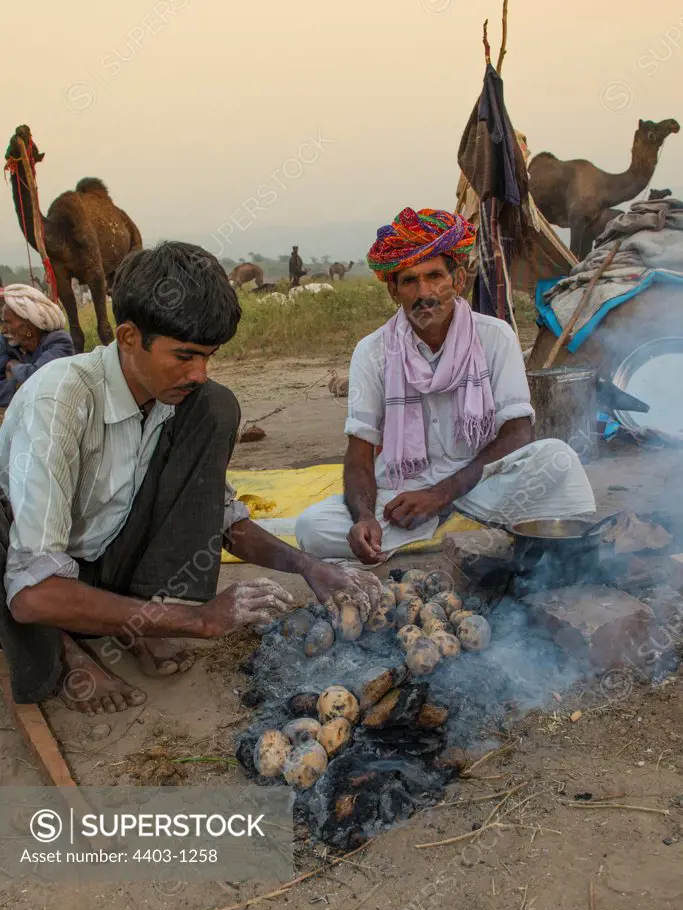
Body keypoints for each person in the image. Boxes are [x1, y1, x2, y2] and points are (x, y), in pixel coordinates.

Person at [0, 241, 379, 714]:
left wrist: (308, 566)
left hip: (100, 555)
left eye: (208, 355)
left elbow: (215, 515)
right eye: (184, 356)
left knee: (217, 404)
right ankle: (63, 651)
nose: (199, 373)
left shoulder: (174, 398)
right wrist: (197, 619)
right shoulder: (60, 402)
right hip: (32, 575)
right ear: (128, 337)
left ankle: (139, 620)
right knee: (25, 580)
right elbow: (32, 593)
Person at [295, 207, 596, 563]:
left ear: (458, 281)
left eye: (434, 276)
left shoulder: (495, 336)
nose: (425, 293)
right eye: (410, 281)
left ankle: (454, 523)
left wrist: (442, 494)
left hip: (480, 482)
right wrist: (363, 516)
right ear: (394, 291)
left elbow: (518, 434)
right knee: (311, 528)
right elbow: (359, 453)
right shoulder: (372, 351)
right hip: (403, 496)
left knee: (557, 459)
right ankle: (475, 529)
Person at [0, 284, 74, 412]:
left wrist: (12, 366)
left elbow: (40, 380)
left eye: (8, 322)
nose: (4, 329)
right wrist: (18, 387)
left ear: (28, 326)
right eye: (3, 322)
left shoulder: (59, 342)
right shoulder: (6, 342)